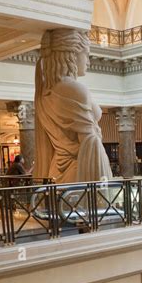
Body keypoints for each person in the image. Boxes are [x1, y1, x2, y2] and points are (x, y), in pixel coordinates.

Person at [34, 28, 112, 183]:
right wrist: (102, 184)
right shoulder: (74, 90)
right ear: (72, 55)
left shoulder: (45, 92)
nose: (88, 61)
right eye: (86, 54)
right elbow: (90, 142)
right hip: (79, 173)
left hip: (56, 171)